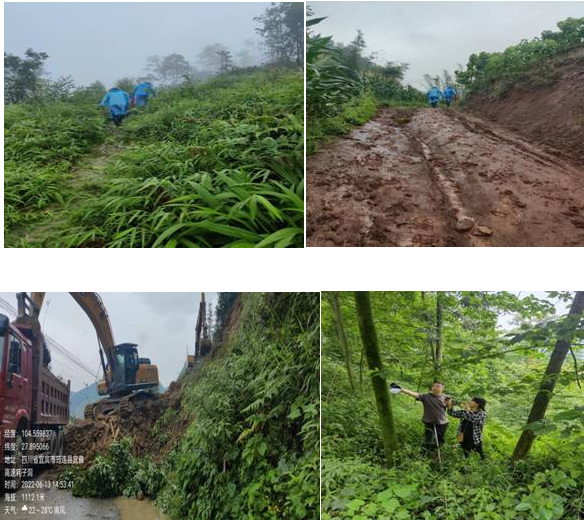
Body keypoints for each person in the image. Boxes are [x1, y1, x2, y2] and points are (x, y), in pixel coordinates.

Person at [392, 381, 450, 458]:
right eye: (434, 386)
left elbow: (450, 408)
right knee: (428, 440)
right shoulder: (426, 396)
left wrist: (449, 404)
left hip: (442, 422)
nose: (435, 388)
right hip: (429, 421)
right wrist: (402, 389)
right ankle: (422, 456)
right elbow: (414, 394)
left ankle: (434, 453)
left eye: (438, 386)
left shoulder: (446, 397)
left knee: (440, 441)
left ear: (442, 388)